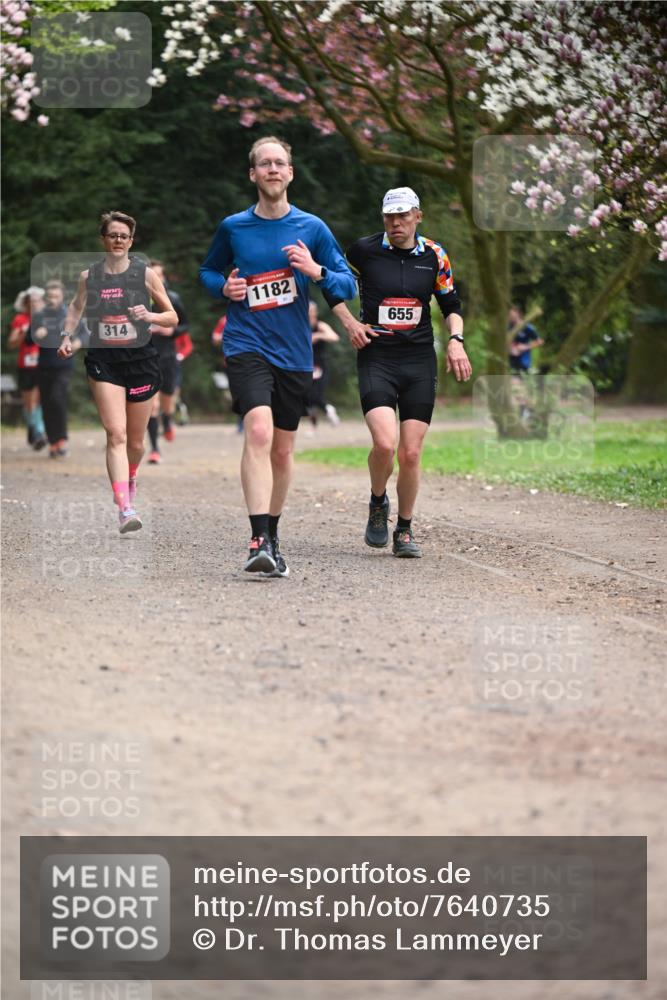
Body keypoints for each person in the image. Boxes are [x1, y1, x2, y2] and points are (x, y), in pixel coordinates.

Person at [199, 135, 356, 577]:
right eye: (264, 163)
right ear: (253, 174)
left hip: (294, 353)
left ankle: (273, 533)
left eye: (279, 163)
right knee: (260, 432)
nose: (272, 169)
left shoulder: (313, 229)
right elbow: (208, 270)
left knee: (283, 453)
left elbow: (347, 284)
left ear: (290, 172)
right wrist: (223, 288)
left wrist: (317, 271)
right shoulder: (234, 227)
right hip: (246, 344)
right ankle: (257, 540)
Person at [325, 186, 472, 558]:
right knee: (385, 444)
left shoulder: (435, 256)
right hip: (377, 357)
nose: (396, 223)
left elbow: (451, 303)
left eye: (403, 216)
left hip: (419, 360)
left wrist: (456, 339)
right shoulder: (364, 251)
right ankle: (378, 503)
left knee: (409, 453)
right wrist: (349, 323)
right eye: (390, 216)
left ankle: (404, 529)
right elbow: (332, 286)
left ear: (417, 217)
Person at [57, 211, 177, 532]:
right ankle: (125, 507)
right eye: (113, 235)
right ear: (104, 239)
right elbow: (75, 307)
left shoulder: (146, 275)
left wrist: (149, 316)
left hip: (141, 362)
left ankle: (131, 475)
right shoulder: (89, 277)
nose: (118, 240)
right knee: (117, 434)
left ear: (131, 241)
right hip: (104, 360)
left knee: (136, 443)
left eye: (124, 236)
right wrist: (67, 336)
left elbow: (172, 317)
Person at [31, 280, 85, 458]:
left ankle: (62, 439)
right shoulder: (39, 315)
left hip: (63, 366)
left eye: (56, 296)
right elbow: (27, 337)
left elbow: (85, 332)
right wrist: (36, 334)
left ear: (62, 296)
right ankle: (53, 442)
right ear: (47, 297)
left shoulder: (68, 315)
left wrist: (78, 342)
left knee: (57, 398)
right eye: (50, 296)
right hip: (44, 365)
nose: (53, 299)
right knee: (47, 403)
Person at [145, 260, 190, 463]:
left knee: (167, 403)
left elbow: (185, 324)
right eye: (151, 274)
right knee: (151, 405)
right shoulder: (137, 299)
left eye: (159, 275)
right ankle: (155, 449)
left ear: (163, 278)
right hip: (146, 357)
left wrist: (172, 331)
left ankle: (168, 419)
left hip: (168, 357)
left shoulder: (172, 299)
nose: (156, 279)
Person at [7, 287, 47, 449]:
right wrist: (24, 333)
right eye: (32, 301)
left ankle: (37, 432)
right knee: (29, 402)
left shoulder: (46, 319)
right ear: (26, 303)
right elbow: (10, 343)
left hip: (43, 364)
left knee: (37, 401)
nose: (35, 304)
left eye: (38, 301)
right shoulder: (21, 319)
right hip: (26, 365)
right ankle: (36, 432)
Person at [306, 299, 340, 430]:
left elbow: (334, 337)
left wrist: (318, 336)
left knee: (315, 395)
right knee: (307, 397)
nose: (309, 313)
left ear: (315, 312)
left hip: (320, 365)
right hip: (306, 365)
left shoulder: (320, 326)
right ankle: (314, 426)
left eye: (311, 310)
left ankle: (328, 409)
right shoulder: (301, 325)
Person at [507, 304, 544, 374]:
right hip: (509, 360)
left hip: (523, 361)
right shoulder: (508, 326)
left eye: (510, 314)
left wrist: (525, 347)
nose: (509, 316)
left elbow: (540, 341)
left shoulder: (528, 328)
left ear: (517, 313)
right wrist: (511, 348)